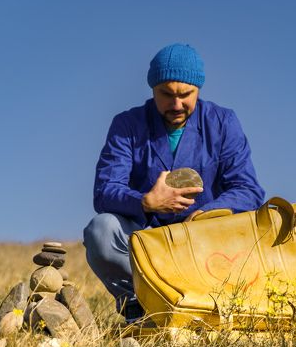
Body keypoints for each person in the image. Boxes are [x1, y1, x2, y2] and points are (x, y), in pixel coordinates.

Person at [83, 43, 265, 322]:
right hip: (147, 241)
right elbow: (104, 190)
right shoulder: (127, 125)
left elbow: (248, 190)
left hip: (205, 244)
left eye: (185, 95)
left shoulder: (223, 122)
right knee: (101, 229)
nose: (176, 104)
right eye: (166, 95)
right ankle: (139, 305)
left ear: (198, 89)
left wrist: (207, 214)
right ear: (152, 89)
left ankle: (208, 308)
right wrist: (145, 202)